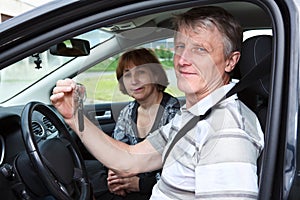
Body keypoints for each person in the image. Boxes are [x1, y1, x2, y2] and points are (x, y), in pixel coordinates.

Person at [50, 6, 264, 199]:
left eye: (200, 49)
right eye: (180, 47)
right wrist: (74, 115)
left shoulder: (226, 131)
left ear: (230, 61)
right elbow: (131, 158)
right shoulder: (193, 116)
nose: (182, 60)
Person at [91, 48, 180, 199]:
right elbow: (116, 150)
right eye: (127, 74)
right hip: (128, 177)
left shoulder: (174, 113)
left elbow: (178, 170)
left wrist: (140, 184)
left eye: (141, 72)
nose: (134, 80)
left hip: (158, 189)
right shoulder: (127, 112)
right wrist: (114, 174)